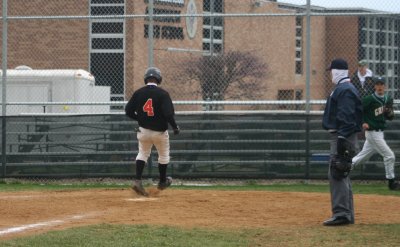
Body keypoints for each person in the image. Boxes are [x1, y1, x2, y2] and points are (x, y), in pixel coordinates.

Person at [125, 67, 180, 196]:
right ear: (158, 79)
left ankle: (138, 181)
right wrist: (175, 127)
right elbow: (168, 114)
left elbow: (128, 111)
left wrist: (140, 118)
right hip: (159, 132)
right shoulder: (163, 94)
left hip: (143, 130)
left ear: (146, 79)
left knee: (143, 153)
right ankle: (162, 181)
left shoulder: (138, 93)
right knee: (163, 155)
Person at [322, 58, 363, 226]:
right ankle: (346, 214)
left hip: (343, 135)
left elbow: (346, 115)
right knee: (341, 172)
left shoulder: (344, 89)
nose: (331, 73)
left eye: (332, 70)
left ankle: (341, 214)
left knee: (337, 172)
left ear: (338, 71)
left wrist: (341, 138)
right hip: (344, 134)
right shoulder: (344, 88)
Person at [352, 77, 400, 190]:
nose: (379, 87)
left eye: (381, 84)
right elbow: (358, 110)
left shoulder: (388, 99)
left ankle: (342, 169)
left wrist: (389, 113)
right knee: (389, 156)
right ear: (374, 86)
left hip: (379, 133)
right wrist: (363, 122)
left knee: (361, 158)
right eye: (377, 84)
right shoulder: (369, 99)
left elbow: (389, 117)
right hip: (372, 133)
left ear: (385, 86)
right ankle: (391, 183)